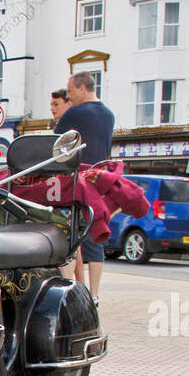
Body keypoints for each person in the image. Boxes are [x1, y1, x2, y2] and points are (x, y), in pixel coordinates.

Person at [55, 72, 114, 303]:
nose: (70, 96)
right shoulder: (109, 115)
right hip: (101, 179)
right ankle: (95, 293)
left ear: (81, 88)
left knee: (71, 234)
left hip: (77, 179)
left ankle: (74, 289)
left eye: (70, 92)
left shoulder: (76, 113)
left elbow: (55, 144)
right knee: (95, 235)